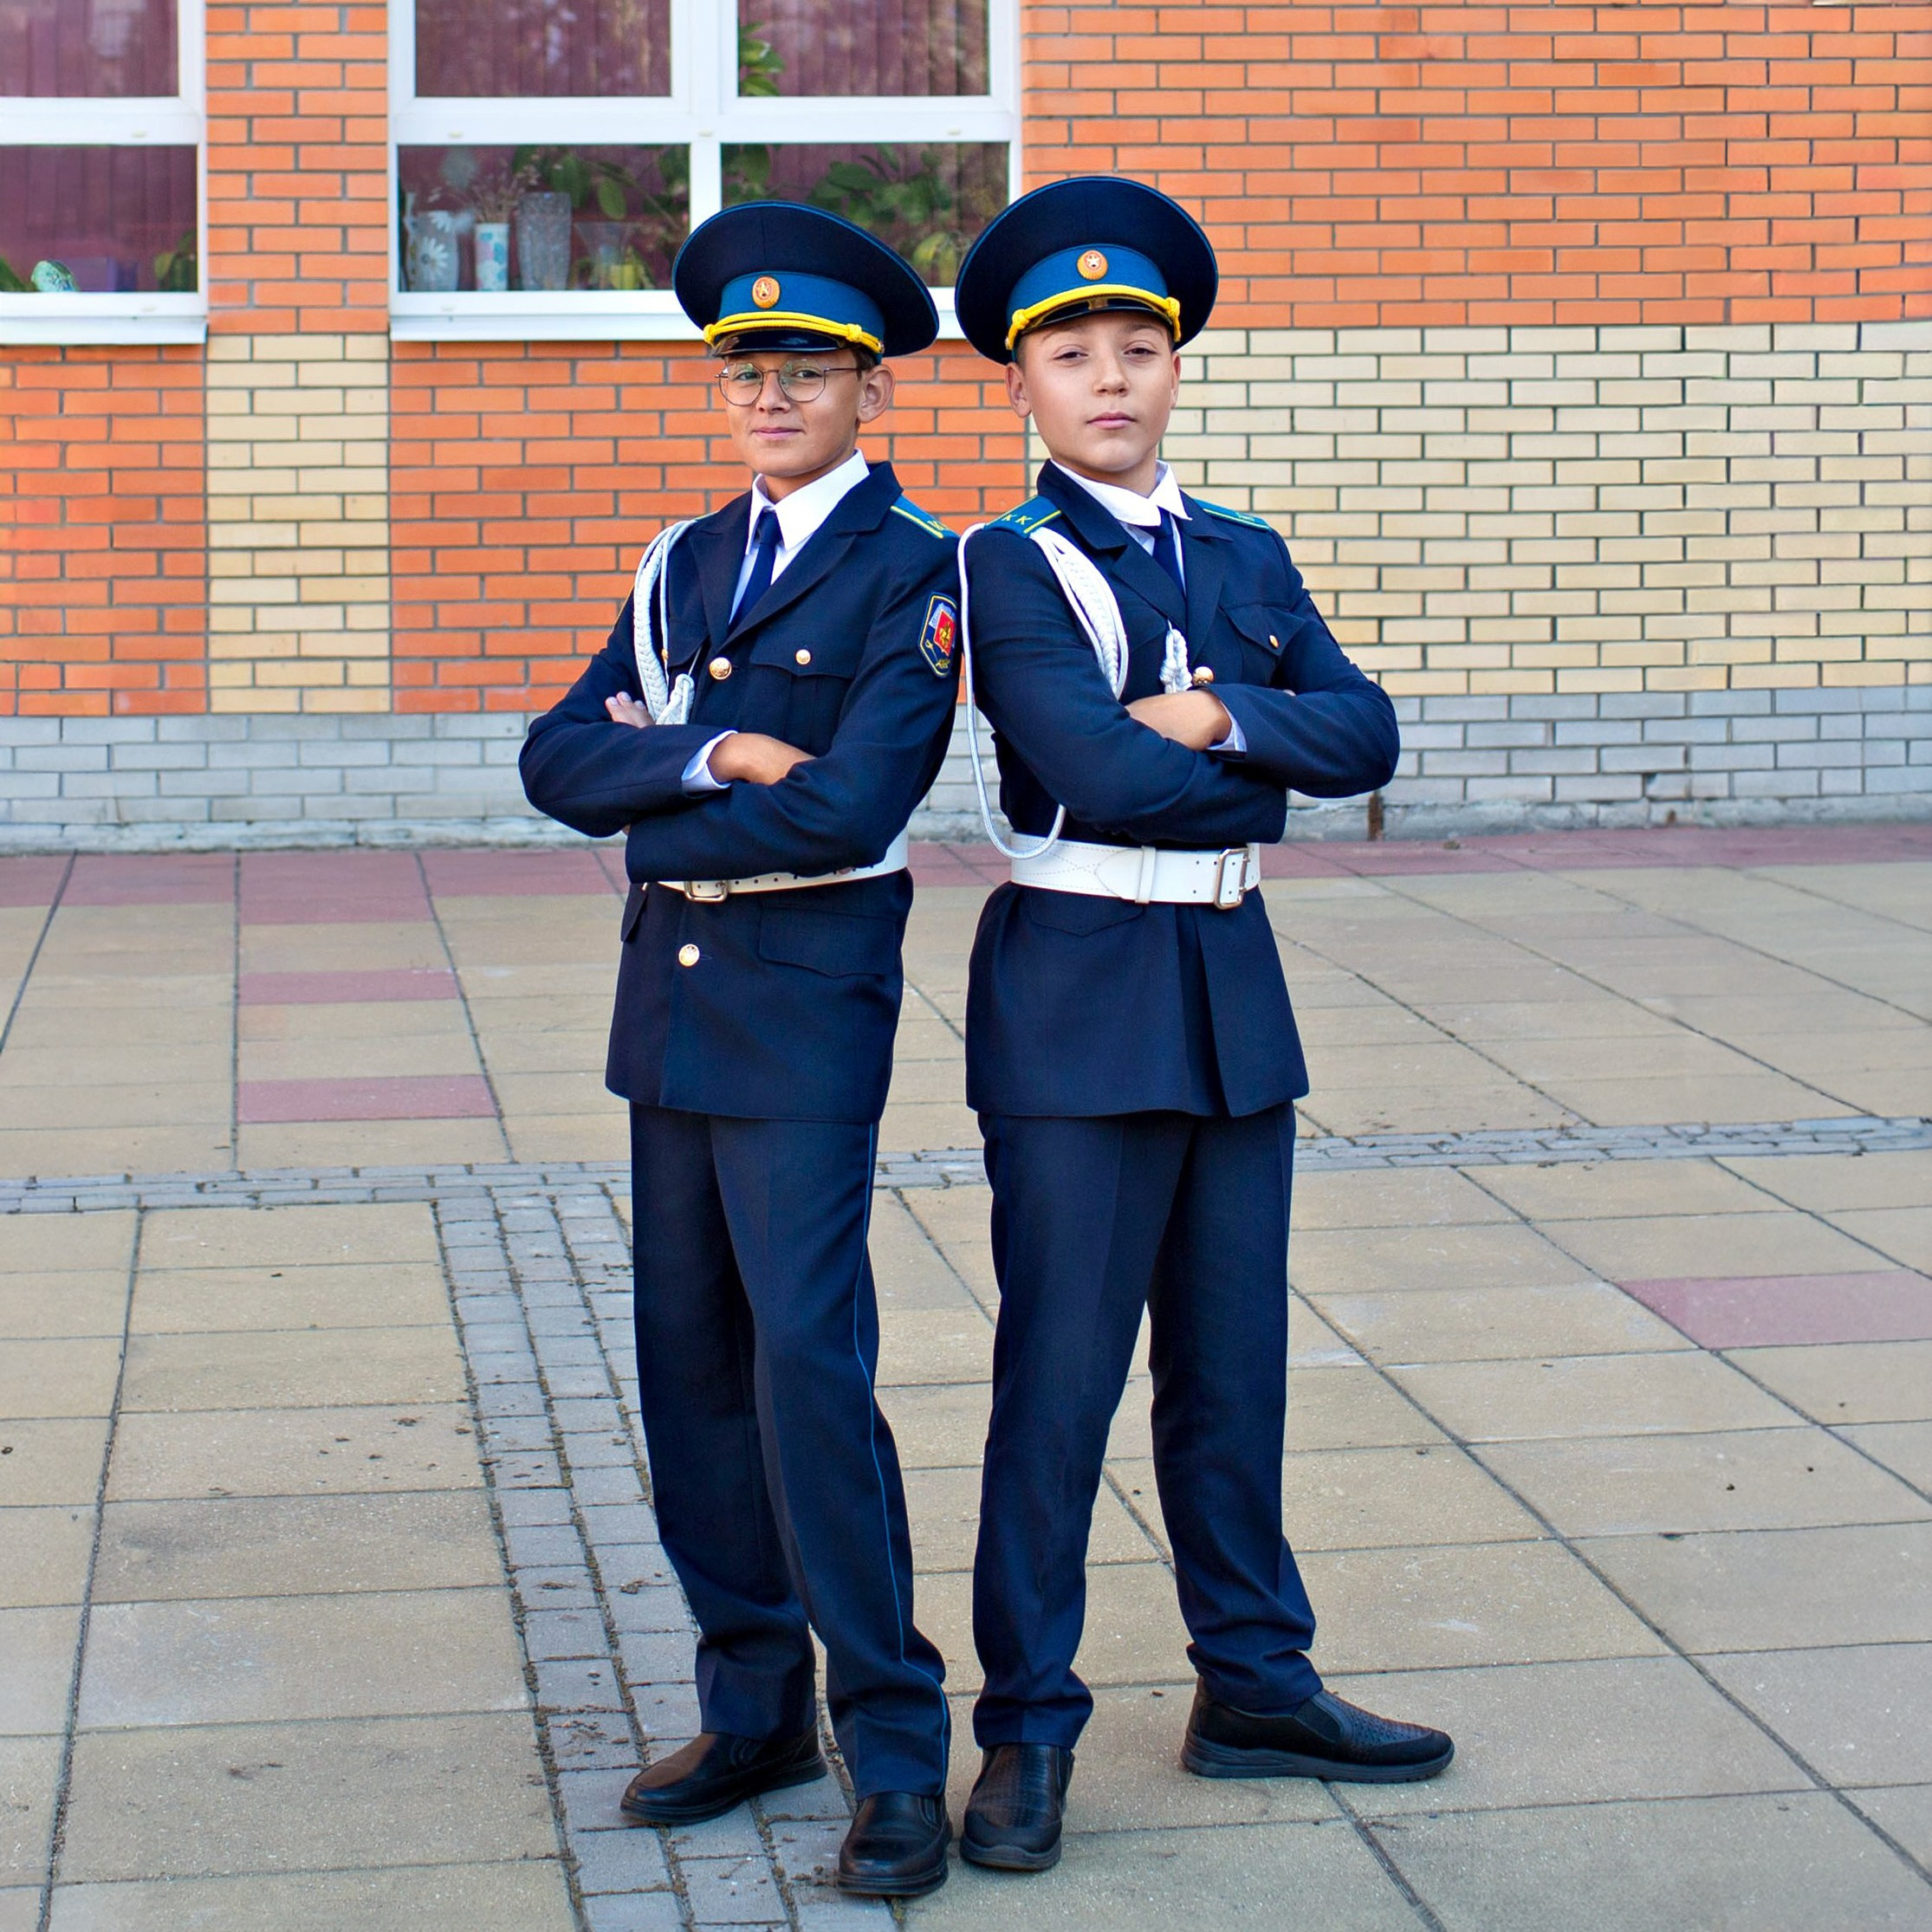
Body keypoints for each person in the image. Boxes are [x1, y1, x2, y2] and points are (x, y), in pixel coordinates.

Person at [946, 176, 1454, 1874]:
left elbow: (1364, 730)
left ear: (1175, 366)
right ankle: (1023, 1729)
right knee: (1060, 1382)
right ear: (1020, 381)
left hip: (1230, 998)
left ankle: (1250, 1680)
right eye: (1070, 351)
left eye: (1137, 345)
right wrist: (1255, 754)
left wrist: (1226, 706)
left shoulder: (1240, 552)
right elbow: (1088, 770)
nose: (1108, 376)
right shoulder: (1004, 564)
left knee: (1230, 1378)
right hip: (1075, 996)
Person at [520, 201, 961, 1900]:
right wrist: (721, 758)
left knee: (805, 1367)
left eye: (806, 368)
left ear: (864, 386)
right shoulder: (682, 559)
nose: (770, 394)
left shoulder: (914, 567)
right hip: (675, 996)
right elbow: (559, 760)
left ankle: (898, 1745)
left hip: (802, 998)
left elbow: (857, 798)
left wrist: (668, 757)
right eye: (745, 369)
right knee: (691, 1370)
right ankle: (754, 1702)